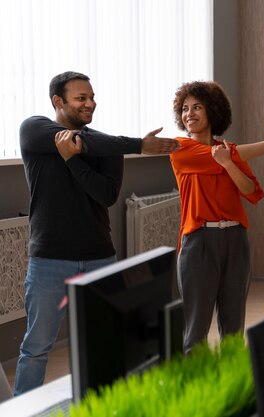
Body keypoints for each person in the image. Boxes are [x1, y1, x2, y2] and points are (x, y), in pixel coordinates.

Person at [14, 71, 179, 396]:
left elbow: (106, 195)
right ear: (57, 101)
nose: (90, 103)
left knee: (110, 343)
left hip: (99, 258)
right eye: (81, 98)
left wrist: (73, 162)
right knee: (36, 347)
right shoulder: (33, 130)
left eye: (92, 97)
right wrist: (138, 144)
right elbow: (77, 142)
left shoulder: (107, 146)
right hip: (49, 259)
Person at [169, 80, 264, 353]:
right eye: (185, 109)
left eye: (197, 107)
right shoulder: (180, 148)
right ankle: (193, 389)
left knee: (233, 326)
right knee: (196, 328)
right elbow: (219, 155)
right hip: (199, 241)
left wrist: (228, 164)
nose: (189, 114)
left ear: (213, 111)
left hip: (235, 239)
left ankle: (231, 387)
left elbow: (252, 192)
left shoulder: (228, 152)